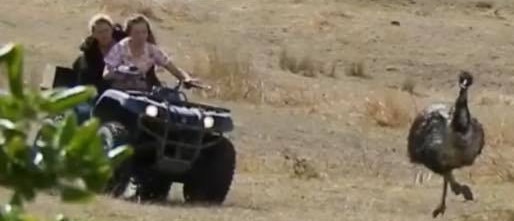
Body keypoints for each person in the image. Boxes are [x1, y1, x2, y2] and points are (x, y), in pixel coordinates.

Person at [102, 14, 199, 91]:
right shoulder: (120, 48)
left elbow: (172, 67)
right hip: (119, 92)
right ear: (129, 33)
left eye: (144, 32)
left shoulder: (151, 50)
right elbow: (106, 75)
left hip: (143, 91)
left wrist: (186, 79)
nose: (141, 36)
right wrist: (121, 72)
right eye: (137, 32)